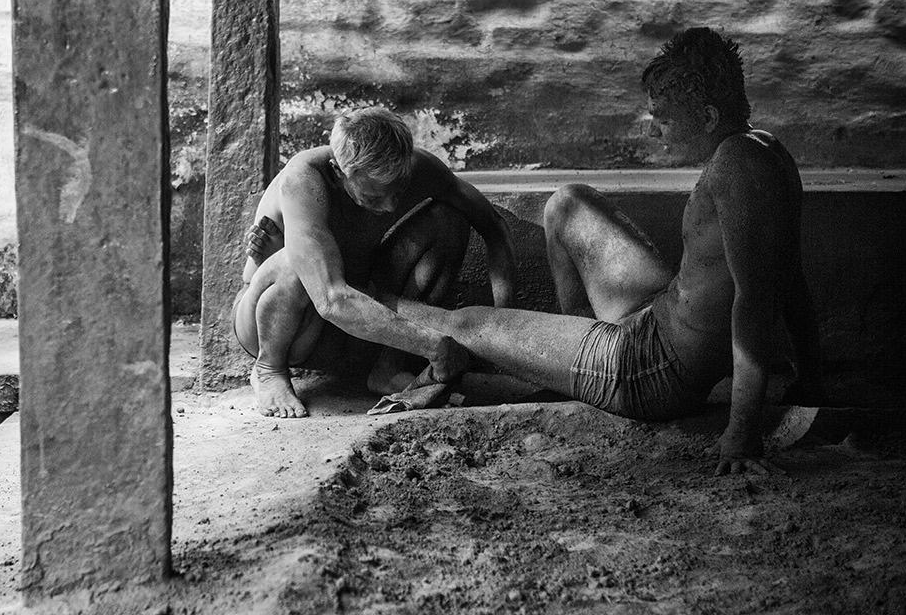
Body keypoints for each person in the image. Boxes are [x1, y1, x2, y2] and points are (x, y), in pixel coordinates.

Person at [380, 28, 822, 475]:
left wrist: (742, 433)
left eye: (664, 119)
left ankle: (357, 302)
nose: (654, 131)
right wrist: (812, 378)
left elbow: (756, 303)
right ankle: (576, 365)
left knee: (468, 323)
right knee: (568, 203)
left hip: (648, 371)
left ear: (708, 116)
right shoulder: (768, 151)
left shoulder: (734, 168)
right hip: (653, 318)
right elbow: (794, 279)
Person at [233, 107, 519, 419]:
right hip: (286, 326)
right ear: (338, 172)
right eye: (373, 198)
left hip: (353, 316)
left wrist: (504, 321)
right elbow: (331, 299)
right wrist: (433, 345)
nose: (391, 206)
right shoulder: (303, 182)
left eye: (398, 190)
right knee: (295, 264)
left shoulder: (418, 167)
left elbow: (495, 227)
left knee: (448, 221)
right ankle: (268, 370)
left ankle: (388, 366)